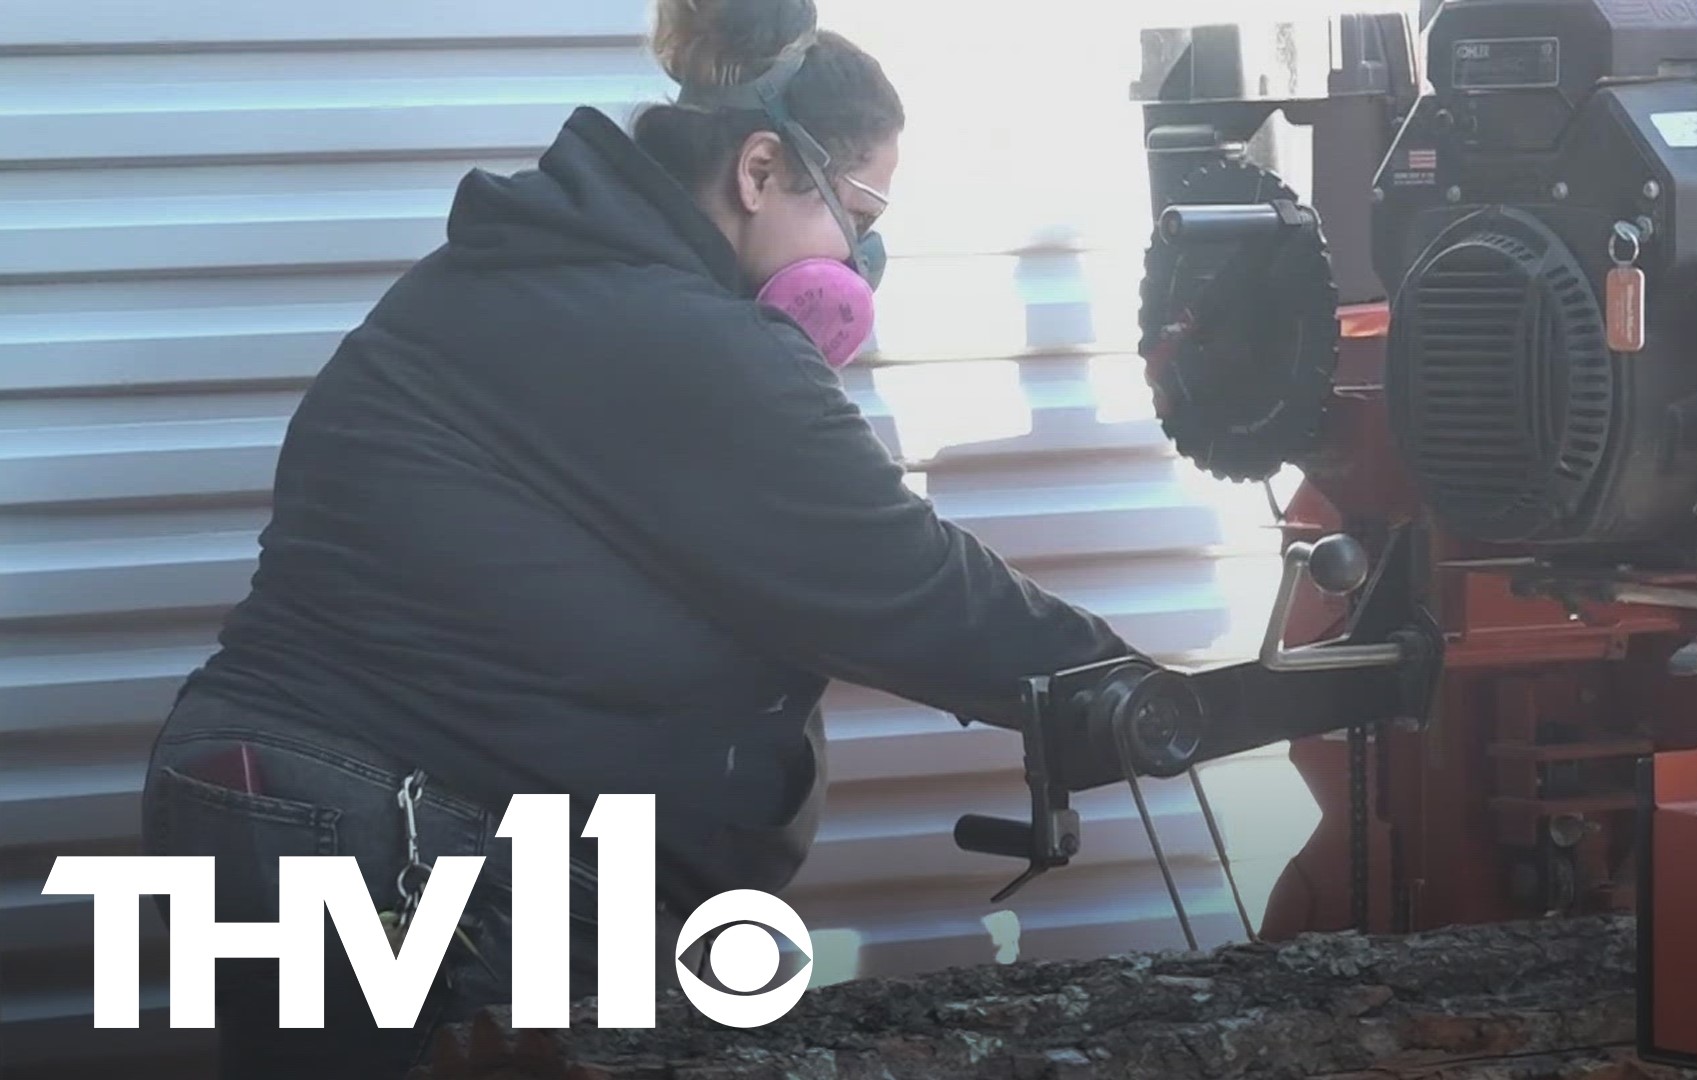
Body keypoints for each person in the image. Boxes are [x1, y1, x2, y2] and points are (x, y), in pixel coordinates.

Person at [137, 1, 1141, 1076]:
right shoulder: (683, 337)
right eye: (858, 210)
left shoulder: (530, 275)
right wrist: (1146, 700)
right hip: (392, 830)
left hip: (280, 795)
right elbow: (908, 588)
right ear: (760, 173)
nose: (863, 257)